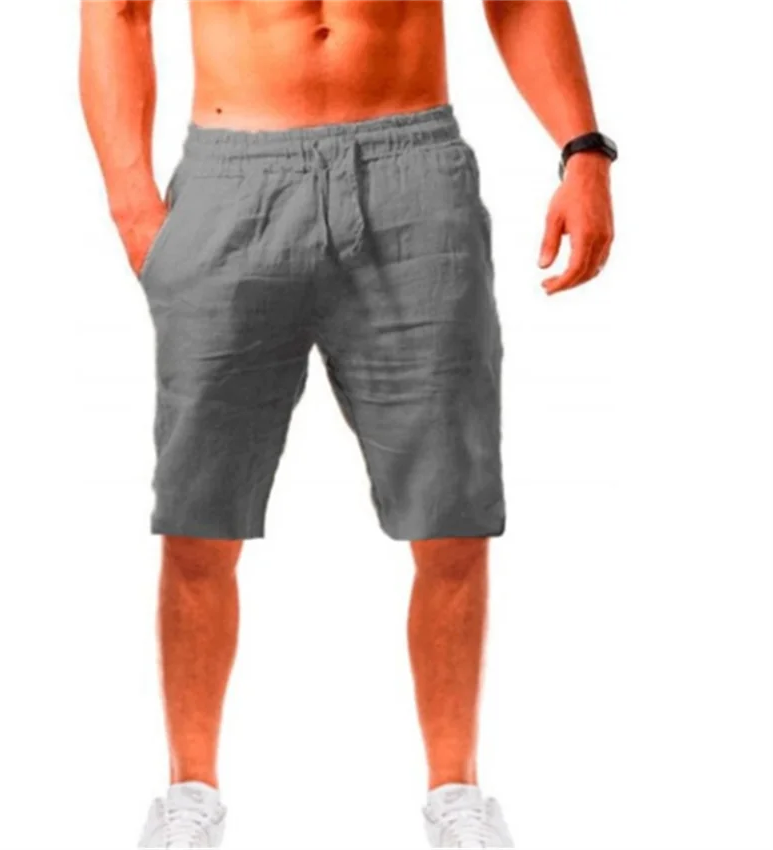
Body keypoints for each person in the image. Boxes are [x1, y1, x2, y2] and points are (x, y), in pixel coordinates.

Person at [79, 1, 615, 847]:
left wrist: (583, 149)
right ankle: (189, 797)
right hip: (232, 174)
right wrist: (132, 205)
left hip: (414, 171)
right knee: (198, 518)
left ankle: (457, 798)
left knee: (451, 513)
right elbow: (118, 12)